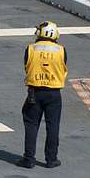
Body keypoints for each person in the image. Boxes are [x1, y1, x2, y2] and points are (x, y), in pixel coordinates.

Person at [18, 20, 66, 169]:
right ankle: (51, 159)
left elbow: (27, 67)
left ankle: (29, 159)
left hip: (35, 92)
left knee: (31, 125)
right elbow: (64, 67)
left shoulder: (31, 49)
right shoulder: (61, 50)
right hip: (54, 93)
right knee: (53, 126)